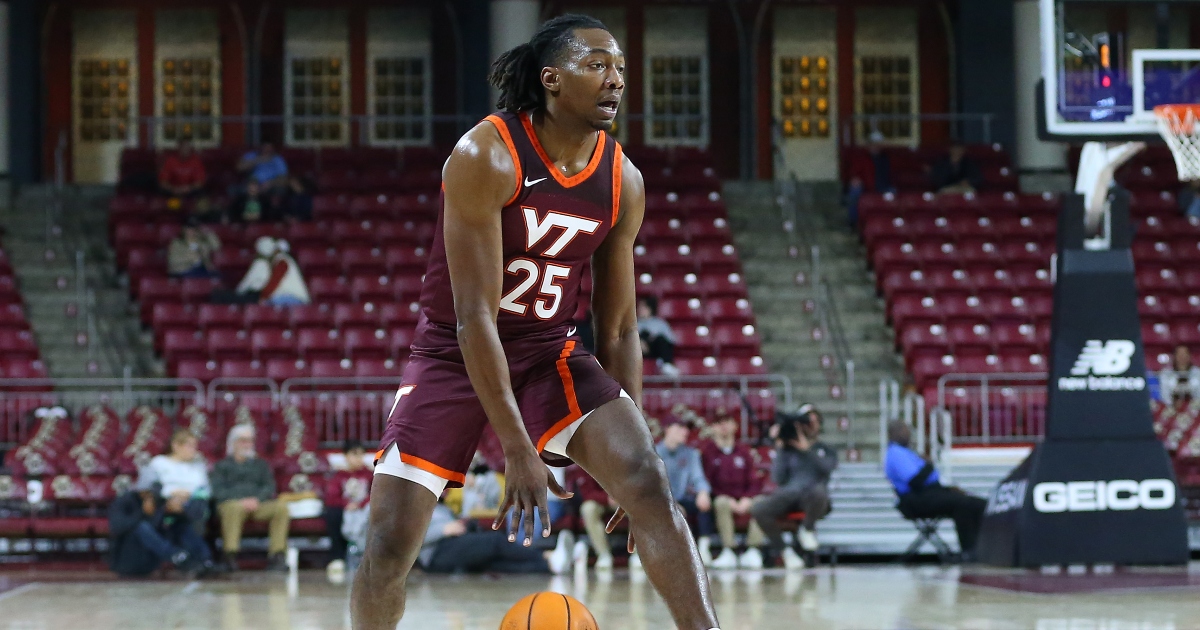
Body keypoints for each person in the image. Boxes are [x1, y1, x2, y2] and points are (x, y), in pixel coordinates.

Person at [350, 15, 720, 630]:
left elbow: (622, 327)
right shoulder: (485, 154)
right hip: (455, 353)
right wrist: (518, 449)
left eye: (620, 68)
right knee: (388, 544)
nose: (615, 80)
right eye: (597, 65)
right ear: (551, 79)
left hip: (551, 349)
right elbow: (472, 319)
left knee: (650, 486)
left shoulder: (622, 179)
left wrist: (638, 441)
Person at [885, 419, 987, 560]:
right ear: (894, 433)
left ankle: (980, 548)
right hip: (915, 499)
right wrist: (928, 464)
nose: (908, 435)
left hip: (929, 493)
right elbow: (916, 482)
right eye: (904, 431)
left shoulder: (907, 452)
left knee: (977, 503)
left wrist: (947, 489)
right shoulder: (896, 453)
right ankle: (968, 551)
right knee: (962, 504)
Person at [750, 406, 837, 570]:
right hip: (789, 495)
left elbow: (827, 469)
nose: (809, 425)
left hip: (814, 499)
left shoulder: (825, 449)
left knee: (819, 491)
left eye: (813, 421)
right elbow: (777, 478)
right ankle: (785, 551)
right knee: (758, 509)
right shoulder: (787, 450)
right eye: (805, 421)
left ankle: (807, 528)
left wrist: (807, 450)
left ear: (819, 424)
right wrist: (781, 447)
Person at [419, 497, 574, 575]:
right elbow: (403, 539)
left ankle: (551, 566)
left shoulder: (439, 504)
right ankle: (547, 556)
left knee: (495, 563)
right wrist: (443, 530)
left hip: (452, 543)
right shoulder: (413, 507)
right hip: (436, 552)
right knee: (495, 541)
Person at [212, 424, 292, 571]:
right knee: (233, 508)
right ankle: (230, 554)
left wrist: (257, 500)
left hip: (258, 504)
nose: (248, 444)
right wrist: (242, 500)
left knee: (280, 508)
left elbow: (269, 487)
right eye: (243, 440)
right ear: (233, 443)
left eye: (250, 440)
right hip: (233, 504)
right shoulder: (221, 466)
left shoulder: (261, 465)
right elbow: (217, 490)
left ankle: (277, 555)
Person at [107, 476, 214, 578]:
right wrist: (143, 513)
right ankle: (175, 555)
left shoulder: (159, 503)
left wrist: (176, 513)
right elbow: (116, 526)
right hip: (128, 558)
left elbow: (189, 519)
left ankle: (204, 560)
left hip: (151, 560)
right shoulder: (124, 502)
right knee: (141, 527)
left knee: (181, 526)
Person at [701, 410, 767, 569]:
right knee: (721, 502)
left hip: (743, 497)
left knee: (762, 503)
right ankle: (729, 550)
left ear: (735, 426)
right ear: (713, 427)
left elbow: (753, 479)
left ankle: (753, 549)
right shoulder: (708, 453)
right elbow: (706, 481)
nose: (723, 426)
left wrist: (747, 498)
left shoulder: (744, 451)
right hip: (722, 498)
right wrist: (725, 497)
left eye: (727, 422)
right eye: (719, 422)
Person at [654, 416, 715, 567]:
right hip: (660, 500)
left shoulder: (691, 454)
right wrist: (672, 504)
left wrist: (703, 492)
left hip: (683, 498)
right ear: (667, 429)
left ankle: (703, 549)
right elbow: (652, 485)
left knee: (704, 504)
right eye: (680, 428)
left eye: (686, 428)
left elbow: (698, 477)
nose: (685, 432)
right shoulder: (653, 453)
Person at [141, 429, 212, 534]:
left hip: (192, 502)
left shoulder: (198, 467)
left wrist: (187, 495)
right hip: (164, 501)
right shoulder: (159, 462)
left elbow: (207, 490)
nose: (193, 450)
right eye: (189, 446)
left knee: (198, 507)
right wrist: (171, 495)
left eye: (195, 446)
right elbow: (147, 487)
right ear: (176, 446)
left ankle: (190, 545)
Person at [324, 441, 373, 581]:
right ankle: (337, 557)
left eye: (361, 455)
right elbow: (331, 497)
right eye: (354, 455)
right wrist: (346, 504)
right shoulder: (338, 476)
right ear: (345, 456)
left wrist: (360, 504)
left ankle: (369, 557)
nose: (358, 458)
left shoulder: (369, 474)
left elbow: (376, 493)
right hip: (345, 509)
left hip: (365, 509)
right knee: (332, 513)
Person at [567, 464, 619, 570]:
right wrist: (607, 499)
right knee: (588, 509)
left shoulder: (618, 454)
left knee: (638, 507)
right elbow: (587, 493)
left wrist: (619, 496)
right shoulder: (583, 461)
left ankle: (639, 555)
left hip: (622, 498)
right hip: (601, 500)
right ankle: (604, 555)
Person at [844, 130, 894, 228]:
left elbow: (890, 175)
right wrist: (855, 179)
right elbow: (854, 173)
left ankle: (890, 224)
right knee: (854, 192)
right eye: (873, 143)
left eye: (878, 144)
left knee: (893, 193)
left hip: (883, 187)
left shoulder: (886, 158)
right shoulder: (861, 157)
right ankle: (854, 222)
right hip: (866, 187)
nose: (875, 146)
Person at [259, 239, 310, 306]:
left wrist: (263, 296)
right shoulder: (287, 260)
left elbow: (274, 281)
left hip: (294, 298)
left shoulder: (282, 261)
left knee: (266, 304)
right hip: (292, 297)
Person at [637, 296, 680, 377]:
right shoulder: (635, 324)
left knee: (661, 339)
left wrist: (654, 338)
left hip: (655, 350)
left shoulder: (660, 323)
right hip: (639, 351)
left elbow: (671, 340)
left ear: (650, 308)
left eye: (643, 307)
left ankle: (666, 365)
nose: (640, 309)